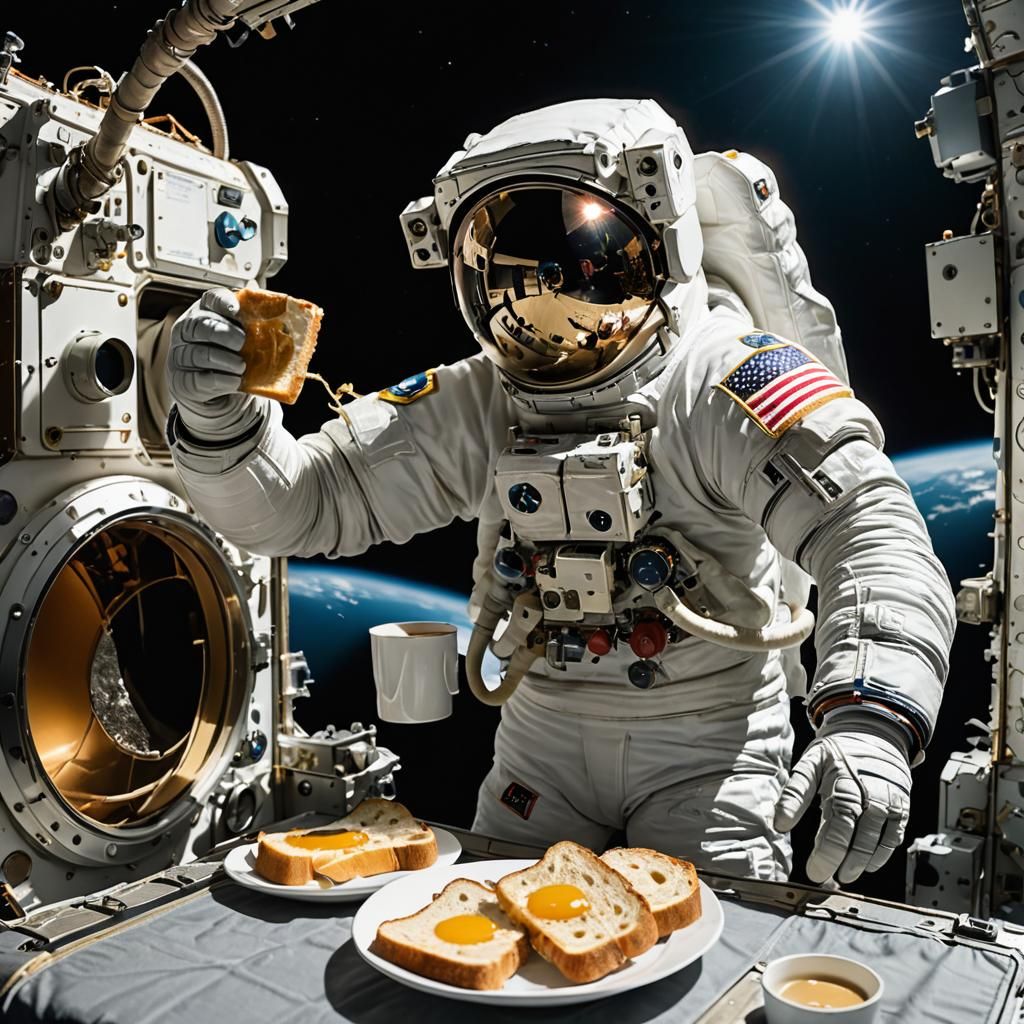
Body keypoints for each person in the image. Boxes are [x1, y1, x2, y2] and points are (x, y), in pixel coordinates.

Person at [165, 99, 955, 884]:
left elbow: (868, 528)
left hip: (707, 743)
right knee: (494, 951)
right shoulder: (481, 399)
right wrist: (220, 423)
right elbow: (299, 503)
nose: (543, 309)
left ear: (659, 237)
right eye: (502, 267)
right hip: (544, 739)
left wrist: (869, 718)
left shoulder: (728, 378)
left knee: (702, 960)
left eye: (581, 259)